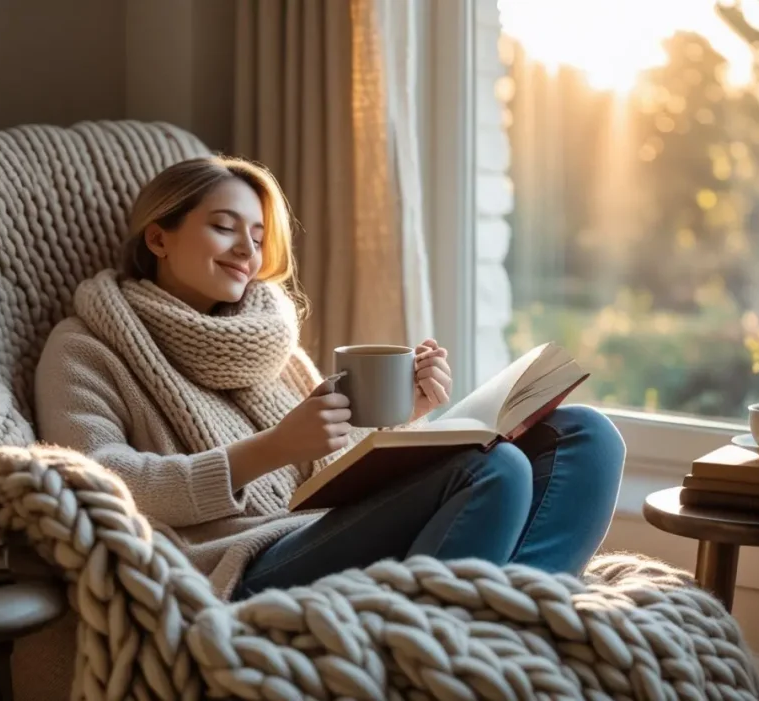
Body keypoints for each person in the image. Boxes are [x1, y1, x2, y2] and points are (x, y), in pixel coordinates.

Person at [34, 156, 626, 601]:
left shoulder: (270, 345)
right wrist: (271, 449)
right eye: (224, 227)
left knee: (584, 434)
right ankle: (475, 635)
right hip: (233, 564)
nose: (248, 248)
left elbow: (331, 476)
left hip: (321, 529)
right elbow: (100, 483)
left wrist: (410, 418)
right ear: (159, 237)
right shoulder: (86, 347)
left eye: (259, 236)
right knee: (491, 469)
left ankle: (510, 622)